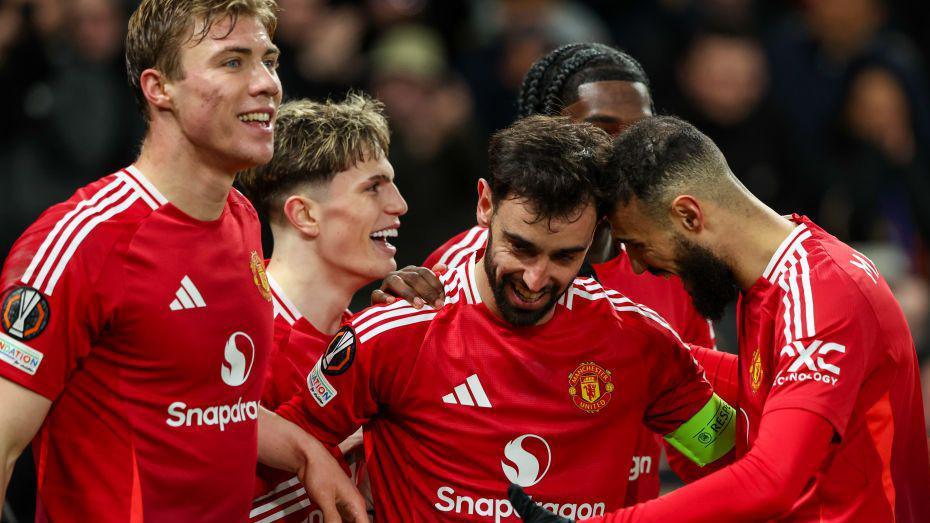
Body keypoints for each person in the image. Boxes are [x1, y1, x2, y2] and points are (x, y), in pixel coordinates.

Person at [268, 115, 737, 521]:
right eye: (521, 247)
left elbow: (733, 459)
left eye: (563, 257)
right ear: (485, 205)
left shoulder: (640, 342)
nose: (535, 279)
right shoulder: (393, 335)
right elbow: (282, 452)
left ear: (597, 236)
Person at [0, 0, 364, 520]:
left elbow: (213, 406)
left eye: (270, 59)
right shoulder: (84, 240)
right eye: (233, 61)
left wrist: (308, 454)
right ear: (159, 88)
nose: (267, 83)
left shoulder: (241, 219)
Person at [510, 116, 930, 522]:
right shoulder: (781, 278)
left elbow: (771, 480)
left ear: (689, 216)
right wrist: (629, 345)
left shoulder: (823, 293)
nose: (637, 267)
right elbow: (771, 389)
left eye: (637, 244)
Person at [418, 43, 734, 500]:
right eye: (603, 131)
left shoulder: (669, 271)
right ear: (550, 137)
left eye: (638, 134)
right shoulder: (460, 270)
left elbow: (701, 447)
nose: (625, 154)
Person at [238, 93, 407, 522]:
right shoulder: (239, 343)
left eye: (391, 182)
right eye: (373, 187)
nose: (399, 205)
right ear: (305, 216)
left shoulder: (374, 340)